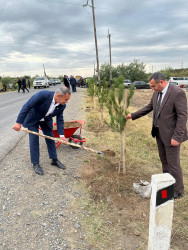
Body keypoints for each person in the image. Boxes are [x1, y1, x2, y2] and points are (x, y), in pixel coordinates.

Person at [127, 72, 187, 199]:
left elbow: (182, 116)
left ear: (162, 82)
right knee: (164, 161)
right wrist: (133, 115)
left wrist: (177, 136)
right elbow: (149, 107)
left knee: (173, 164)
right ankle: (167, 184)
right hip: (159, 133)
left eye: (153, 86)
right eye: (151, 86)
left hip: (172, 136)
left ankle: (178, 191)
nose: (151, 89)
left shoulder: (177, 93)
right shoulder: (156, 93)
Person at [12, 86, 71, 175]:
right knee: (34, 140)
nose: (66, 102)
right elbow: (27, 106)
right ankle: (35, 163)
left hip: (46, 120)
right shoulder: (42, 95)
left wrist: (62, 136)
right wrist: (18, 122)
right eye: (66, 99)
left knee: (50, 138)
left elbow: (60, 120)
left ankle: (54, 159)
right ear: (58, 96)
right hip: (33, 119)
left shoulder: (62, 105)